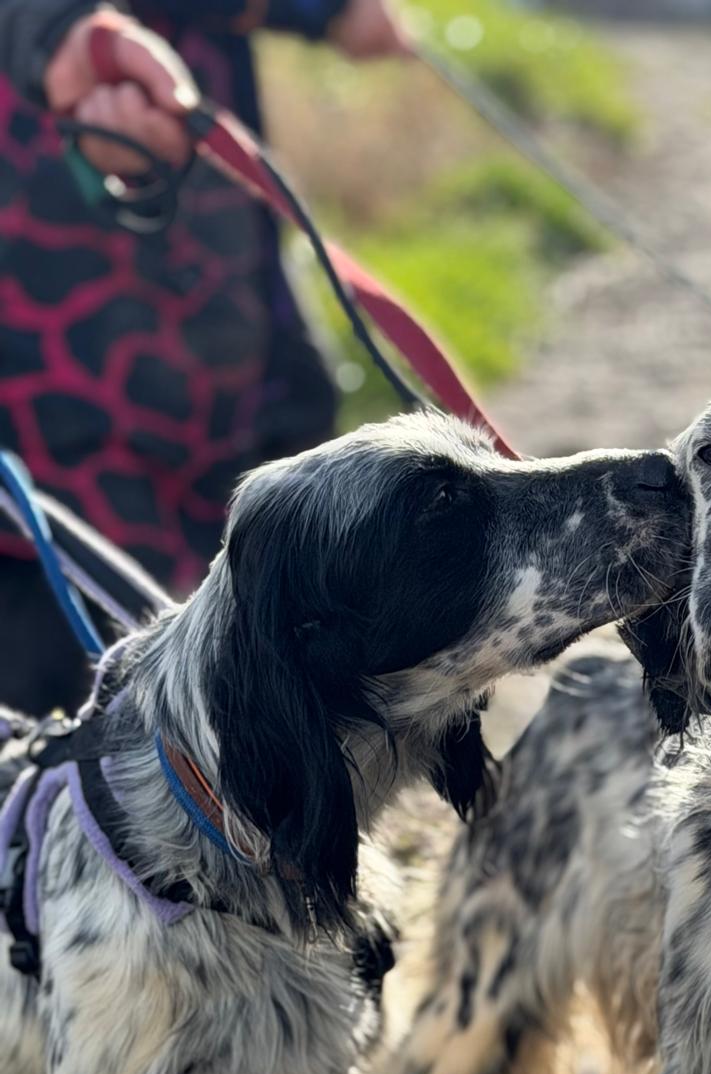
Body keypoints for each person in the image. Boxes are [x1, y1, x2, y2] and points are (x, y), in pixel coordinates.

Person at [0, 0, 411, 713]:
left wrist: (323, 10)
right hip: (43, 222)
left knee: (270, 521)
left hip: (213, 241)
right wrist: (63, 33)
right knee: (79, 602)